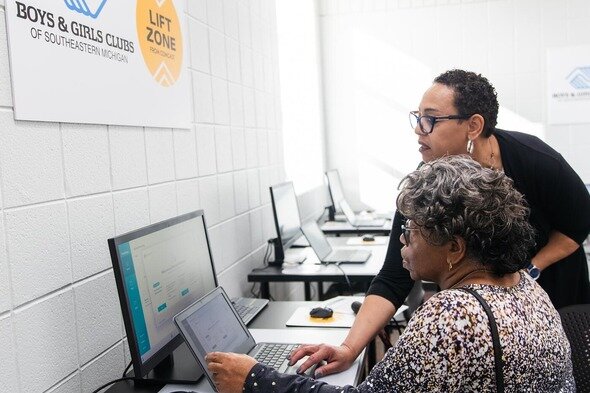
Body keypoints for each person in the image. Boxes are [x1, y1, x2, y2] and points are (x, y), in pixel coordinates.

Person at [286, 69, 590, 379]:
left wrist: (531, 270)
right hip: (489, 307)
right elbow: (394, 275)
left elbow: (579, 224)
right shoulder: (430, 182)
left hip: (551, 287)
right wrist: (349, 349)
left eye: (430, 119)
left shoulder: (534, 159)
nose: (419, 129)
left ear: (473, 125)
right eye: (417, 117)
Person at [205, 156, 576, 392]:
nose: (402, 241)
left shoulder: (454, 316)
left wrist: (255, 378)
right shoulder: (525, 286)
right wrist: (351, 349)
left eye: (411, 231)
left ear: (454, 249)